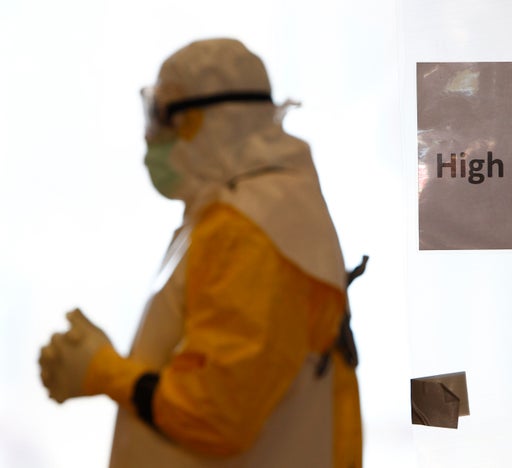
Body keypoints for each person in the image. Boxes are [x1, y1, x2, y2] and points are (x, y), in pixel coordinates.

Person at [38, 38, 362, 468]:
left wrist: (103, 371)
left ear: (214, 120)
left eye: (160, 115)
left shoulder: (250, 228)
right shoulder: (245, 211)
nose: (149, 135)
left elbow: (218, 413)